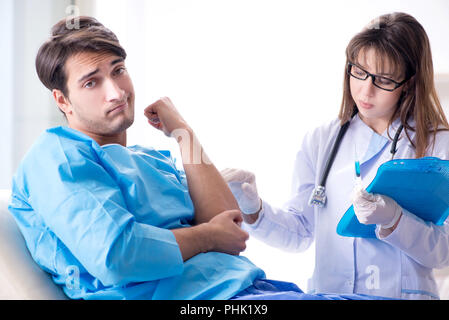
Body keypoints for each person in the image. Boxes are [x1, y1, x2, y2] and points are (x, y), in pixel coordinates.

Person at [8, 16, 389, 300]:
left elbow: (231, 228)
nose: (116, 92)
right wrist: (206, 236)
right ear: (62, 100)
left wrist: (183, 134)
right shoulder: (58, 156)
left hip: (245, 291)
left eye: (118, 71)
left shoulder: (148, 160)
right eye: (92, 82)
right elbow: (117, 254)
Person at [222, 12, 449, 300]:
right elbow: (300, 234)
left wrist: (395, 221)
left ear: (408, 82)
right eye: (359, 72)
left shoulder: (438, 143)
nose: (366, 90)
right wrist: (254, 209)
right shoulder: (322, 140)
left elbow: (444, 252)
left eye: (384, 80)